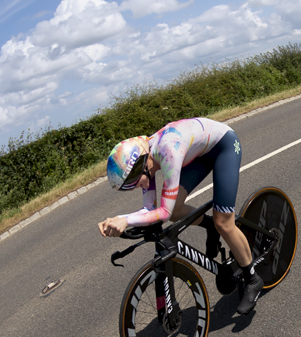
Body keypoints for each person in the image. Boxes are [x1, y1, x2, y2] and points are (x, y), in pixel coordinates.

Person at [98, 117, 265, 314]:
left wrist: (125, 219)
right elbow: (150, 210)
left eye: (134, 183)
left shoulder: (168, 152)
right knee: (177, 210)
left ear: (140, 166)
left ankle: (253, 278)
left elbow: (163, 213)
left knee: (224, 222)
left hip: (223, 146)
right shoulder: (146, 161)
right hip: (199, 153)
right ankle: (209, 226)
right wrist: (119, 219)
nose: (138, 187)